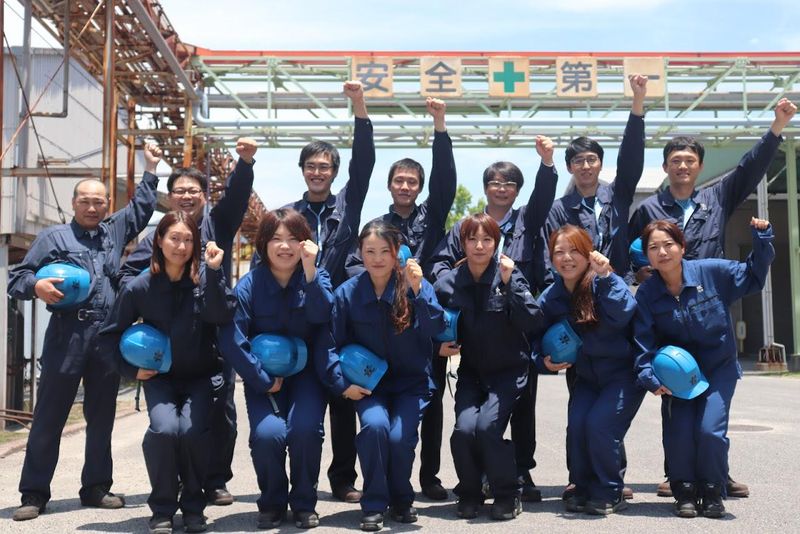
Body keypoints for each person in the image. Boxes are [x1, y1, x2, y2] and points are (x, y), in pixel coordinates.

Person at [628, 97, 796, 497]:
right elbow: (631, 253)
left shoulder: (717, 197)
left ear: (699, 166)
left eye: (689, 160)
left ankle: (717, 471)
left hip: (709, 303)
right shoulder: (649, 209)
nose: (682, 166)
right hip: (669, 311)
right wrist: (643, 278)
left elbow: (749, 168)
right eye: (675, 161)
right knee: (676, 389)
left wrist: (776, 127)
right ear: (665, 167)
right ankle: (676, 472)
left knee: (715, 403)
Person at [8, 145, 161, 522]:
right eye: (85, 201)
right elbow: (17, 277)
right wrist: (37, 286)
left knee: (102, 416)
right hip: (67, 336)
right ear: (74, 203)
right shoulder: (54, 238)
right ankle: (33, 493)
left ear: (108, 204)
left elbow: (141, 208)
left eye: (99, 202)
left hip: (106, 337)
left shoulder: (114, 231)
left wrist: (151, 167)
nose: (92, 207)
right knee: (49, 416)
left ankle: (96, 487)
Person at [119, 137, 257, 506]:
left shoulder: (218, 224)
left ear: (204, 196)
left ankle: (215, 480)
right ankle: (182, 481)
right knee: (177, 421)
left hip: (215, 334)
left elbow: (237, 199)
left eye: (193, 191)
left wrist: (245, 164)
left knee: (221, 412)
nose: (186, 196)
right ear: (170, 197)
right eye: (179, 191)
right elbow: (129, 278)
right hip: (172, 340)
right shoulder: (158, 237)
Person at [255, 81, 374, 503]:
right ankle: (290, 479)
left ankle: (342, 478)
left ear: (334, 172)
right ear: (302, 170)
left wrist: (359, 107)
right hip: (299, 314)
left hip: (339, 313)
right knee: (299, 400)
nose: (318, 172)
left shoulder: (348, 206)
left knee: (342, 400)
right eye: (311, 166)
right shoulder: (289, 217)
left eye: (325, 166)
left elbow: (365, 163)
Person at [427, 137, 557, 502]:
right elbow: (439, 265)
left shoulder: (529, 222)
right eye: (495, 183)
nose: (502, 188)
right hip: (477, 330)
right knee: (477, 418)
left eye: (510, 183)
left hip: (516, 327)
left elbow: (544, 198)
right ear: (485, 188)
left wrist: (547, 163)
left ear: (517, 190)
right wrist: (456, 286)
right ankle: (482, 474)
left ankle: (521, 470)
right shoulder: (466, 227)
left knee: (523, 408)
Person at [345, 97, 457, 501]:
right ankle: (376, 478)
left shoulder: (433, 215)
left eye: (412, 181)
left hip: (424, 319)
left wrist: (440, 127)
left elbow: (445, 179)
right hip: (386, 321)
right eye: (399, 180)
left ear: (420, 187)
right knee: (380, 401)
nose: (406, 186)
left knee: (430, 401)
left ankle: (428, 476)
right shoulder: (378, 226)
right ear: (390, 185)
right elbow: (355, 266)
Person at [542, 73, 647, 501]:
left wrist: (637, 104)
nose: (585, 166)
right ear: (570, 167)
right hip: (578, 304)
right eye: (578, 161)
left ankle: (609, 477)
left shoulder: (616, 196)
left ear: (601, 164)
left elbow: (633, 157)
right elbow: (554, 257)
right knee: (580, 402)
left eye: (592, 159)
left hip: (613, 294)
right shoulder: (560, 208)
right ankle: (579, 476)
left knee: (608, 406)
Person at [98, 211, 236, 533]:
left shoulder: (205, 279)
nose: (181, 246)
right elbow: (108, 337)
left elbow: (222, 315)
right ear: (159, 241)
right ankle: (162, 508)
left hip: (200, 377)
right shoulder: (140, 287)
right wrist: (130, 369)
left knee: (192, 432)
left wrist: (215, 272)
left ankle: (193, 507)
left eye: (188, 240)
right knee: (163, 431)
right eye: (174, 238)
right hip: (160, 379)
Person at [634, 217, 774, 519]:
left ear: (682, 247)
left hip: (718, 368)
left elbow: (753, 276)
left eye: (668, 244)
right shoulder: (647, 293)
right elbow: (642, 340)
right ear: (647, 256)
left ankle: (712, 490)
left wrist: (761, 239)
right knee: (680, 432)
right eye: (654, 248)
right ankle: (684, 491)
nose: (662, 252)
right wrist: (649, 376)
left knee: (710, 430)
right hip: (678, 375)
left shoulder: (711, 272)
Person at [317, 221, 445, 531]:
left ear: (397, 252)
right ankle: (374, 503)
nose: (377, 259)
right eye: (370, 251)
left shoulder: (414, 285)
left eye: (384, 251)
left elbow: (437, 328)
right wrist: (342, 384)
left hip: (411, 384)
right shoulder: (347, 293)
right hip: (368, 386)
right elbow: (329, 344)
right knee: (374, 428)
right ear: (360, 253)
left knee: (400, 438)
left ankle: (401, 499)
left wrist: (419, 291)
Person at [217, 209, 334, 529]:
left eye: (293, 239)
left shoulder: (317, 276)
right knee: (268, 435)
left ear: (305, 244)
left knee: (305, 430)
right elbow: (233, 340)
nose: (285, 246)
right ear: (264, 244)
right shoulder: (249, 286)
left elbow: (323, 315)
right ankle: (272, 502)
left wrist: (310, 271)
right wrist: (261, 379)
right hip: (264, 378)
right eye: (276, 239)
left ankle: (304, 503)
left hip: (307, 376)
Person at [433, 213, 542, 521]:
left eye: (487, 239)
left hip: (509, 372)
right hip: (472, 374)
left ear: (496, 243)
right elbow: (426, 319)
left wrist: (511, 283)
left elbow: (533, 319)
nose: (479, 246)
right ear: (463, 243)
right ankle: (470, 492)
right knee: (464, 430)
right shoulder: (449, 282)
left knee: (488, 428)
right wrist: (436, 346)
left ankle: (507, 494)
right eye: (472, 239)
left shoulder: (508, 275)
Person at [533, 225, 644, 515]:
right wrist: (542, 361)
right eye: (559, 252)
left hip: (622, 374)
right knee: (578, 426)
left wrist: (606, 277)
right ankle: (581, 486)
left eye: (574, 251)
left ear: (588, 254)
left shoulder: (603, 281)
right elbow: (532, 336)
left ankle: (610, 490)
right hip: (585, 377)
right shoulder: (551, 297)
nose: (567, 258)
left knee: (600, 425)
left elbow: (623, 313)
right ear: (551, 258)